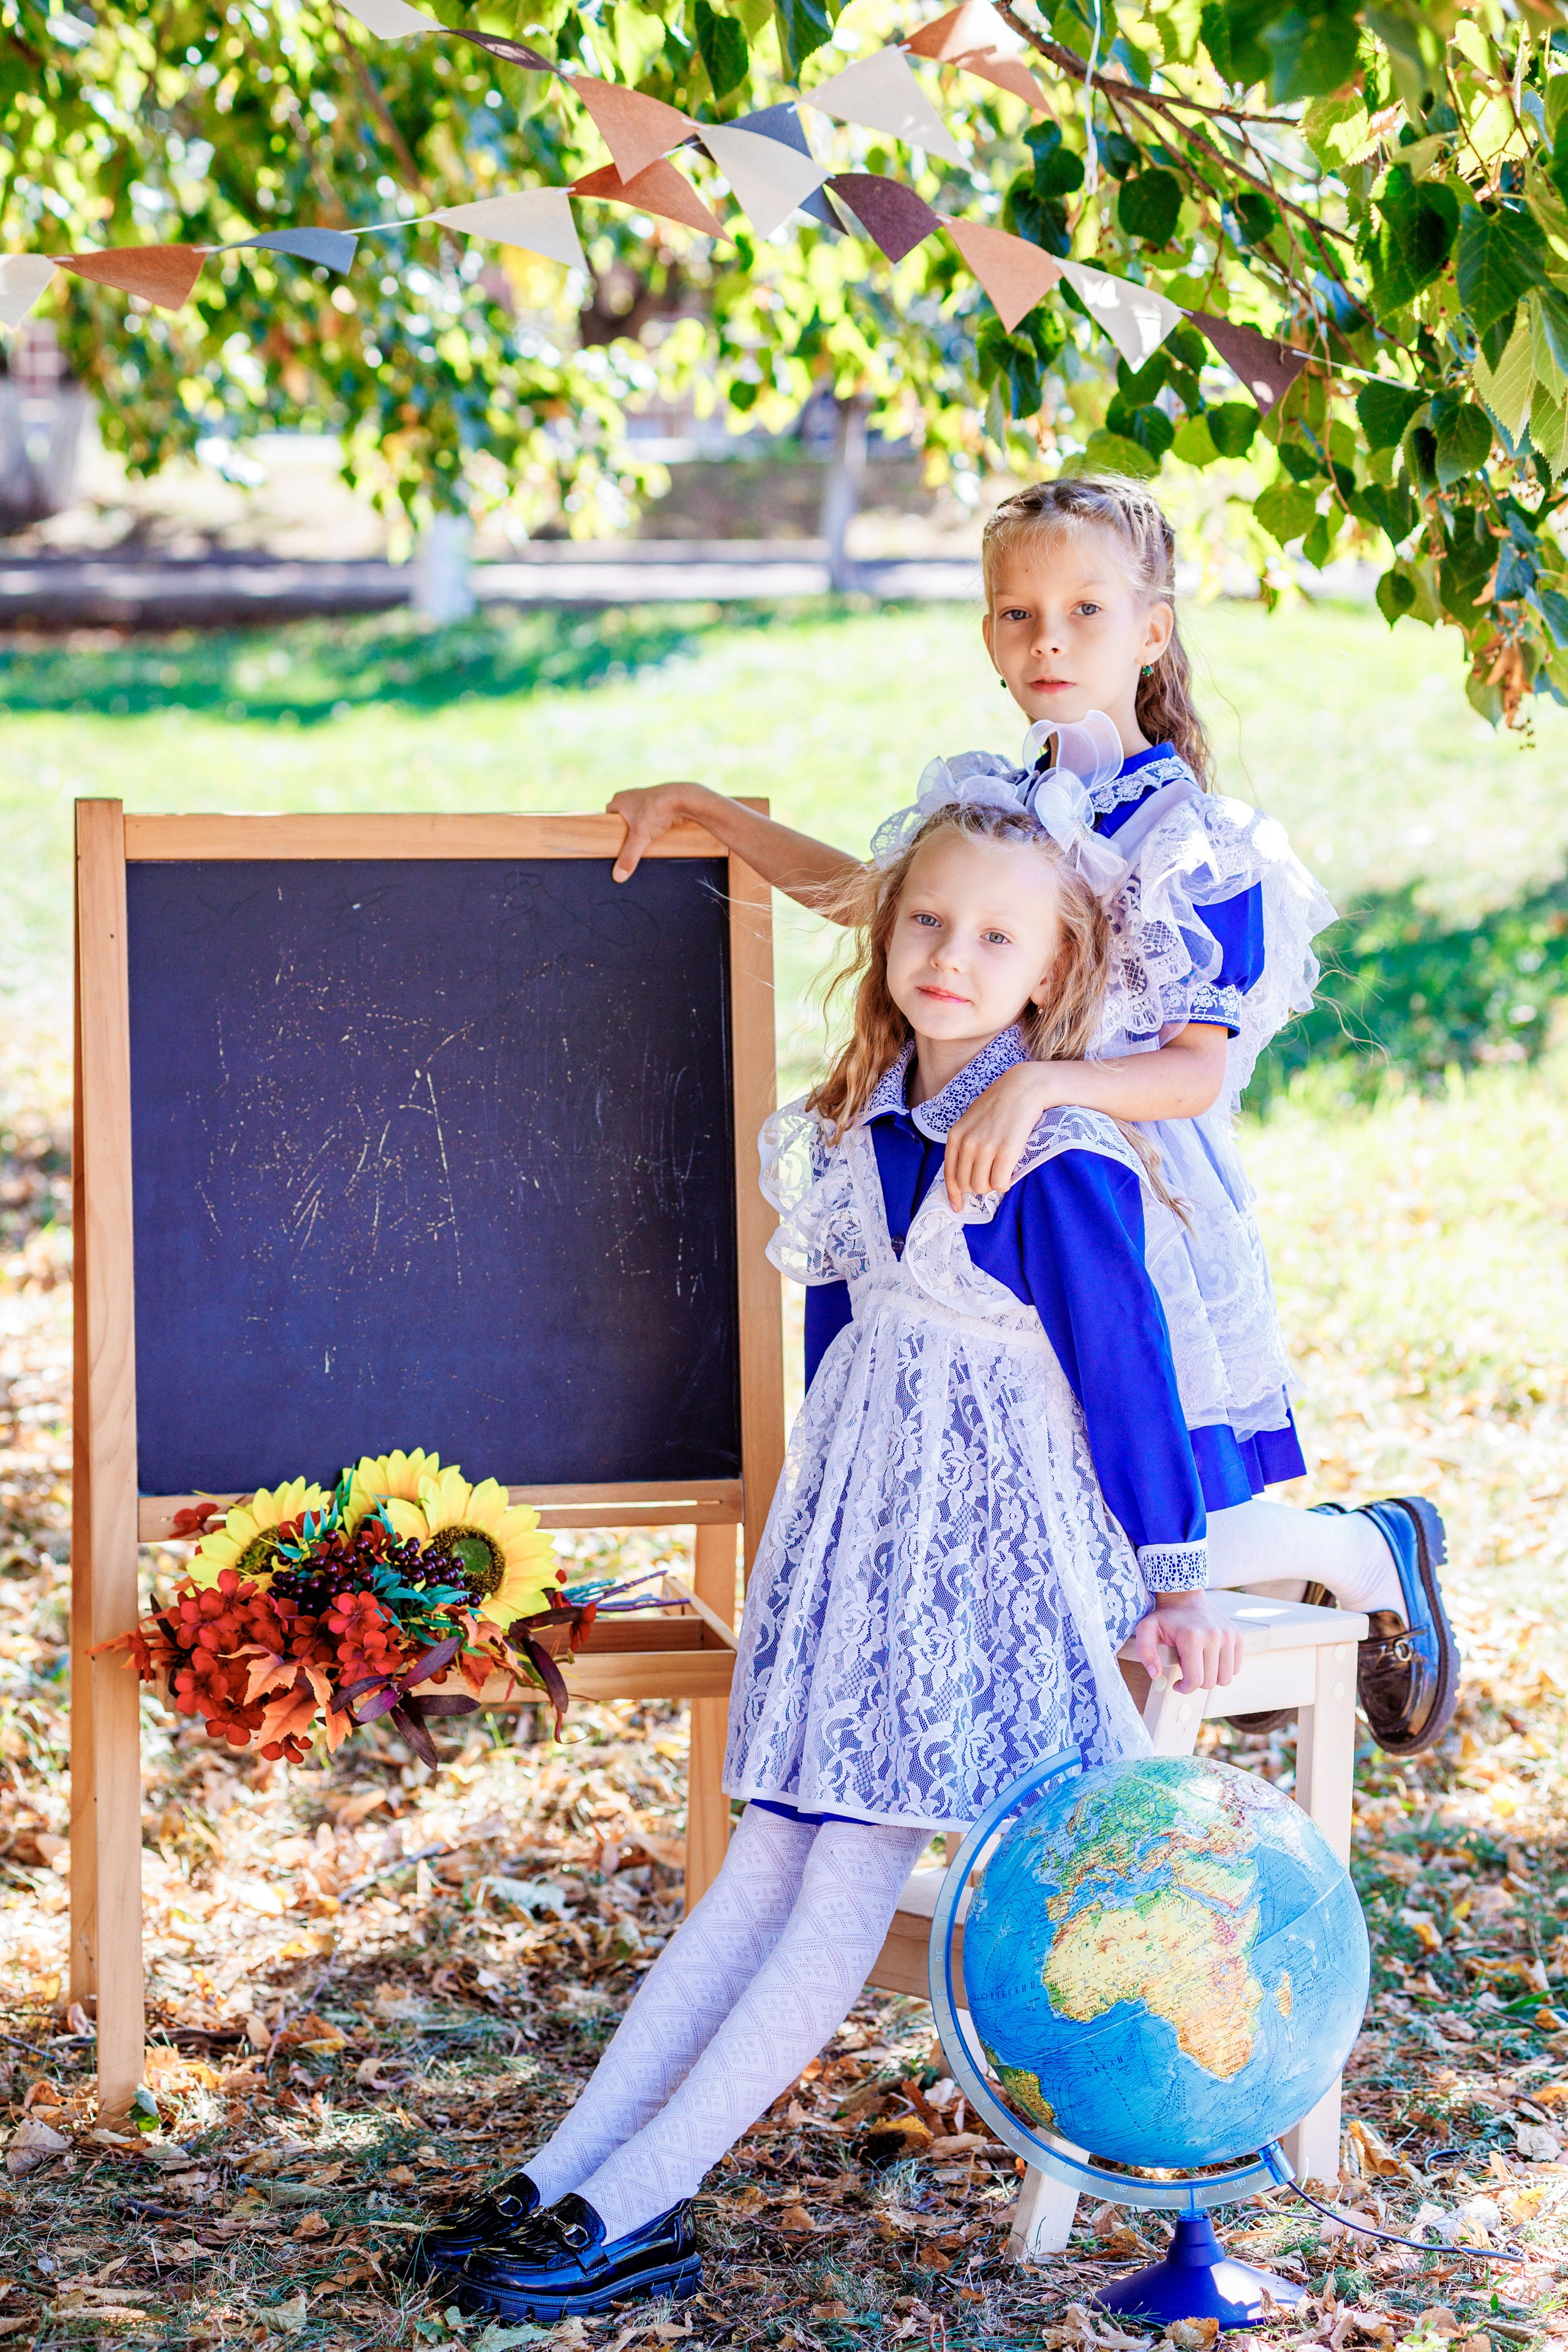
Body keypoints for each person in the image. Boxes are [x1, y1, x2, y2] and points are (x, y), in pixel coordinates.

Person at [429, 797, 1243, 2321]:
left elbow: (1128, 1378)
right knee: (763, 1871)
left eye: (996, 935)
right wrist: (816, 1555)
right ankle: (567, 2175)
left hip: (988, 1573)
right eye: (926, 920)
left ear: (1051, 969)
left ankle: (635, 2202)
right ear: (883, 934)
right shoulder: (856, 1125)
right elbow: (841, 1349)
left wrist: (1173, 1576)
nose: (951, 954)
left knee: (840, 1880)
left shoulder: (1059, 1155)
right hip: (863, 1555)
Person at [603, 474, 1457, 1763]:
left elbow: (1191, 1075)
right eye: (1014, 613)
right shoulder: (999, 795)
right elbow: (879, 899)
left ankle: (1361, 1548)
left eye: (1082, 611)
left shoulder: (1194, 842)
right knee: (1055, 1483)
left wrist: (1044, 1081)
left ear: (1150, 631)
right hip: (994, 1187)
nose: (1045, 640)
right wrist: (711, 817)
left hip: (1118, 1191)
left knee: (1151, 1493)